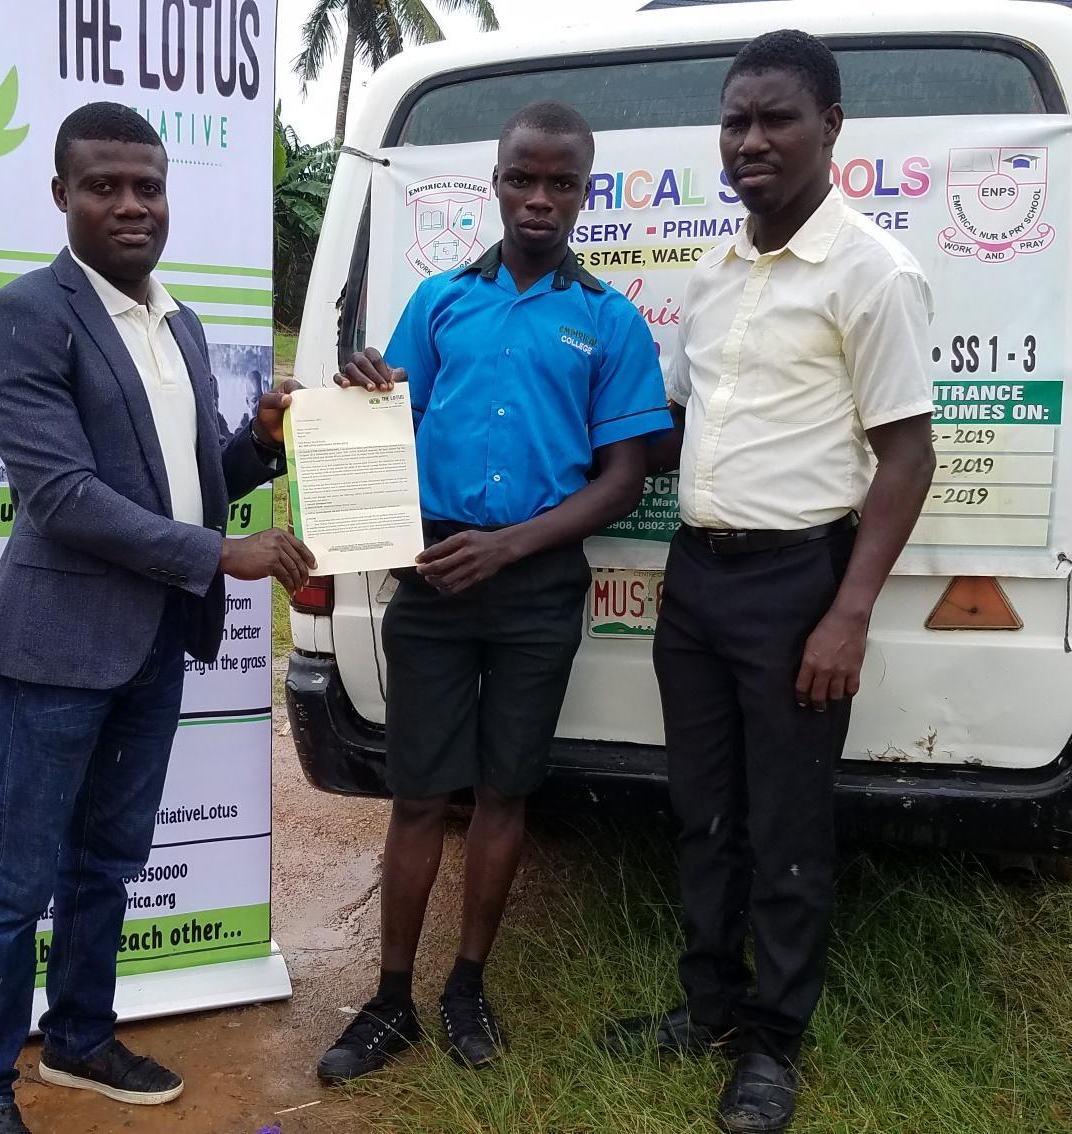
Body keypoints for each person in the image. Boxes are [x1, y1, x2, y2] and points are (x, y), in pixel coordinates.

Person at [0, 102, 316, 1134]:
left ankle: (78, 1038)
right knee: (14, 878)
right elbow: (59, 495)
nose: (130, 204)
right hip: (60, 646)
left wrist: (264, 442)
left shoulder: (178, 322)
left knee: (109, 858)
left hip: (155, 640)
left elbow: (191, 483)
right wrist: (220, 557)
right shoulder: (24, 313)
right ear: (62, 195)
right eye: (104, 186)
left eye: (146, 185)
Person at [604, 31, 937, 1134]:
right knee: (700, 812)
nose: (752, 140)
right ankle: (706, 1009)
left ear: (831, 126)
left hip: (801, 583)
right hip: (697, 580)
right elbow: (666, 421)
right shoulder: (715, 270)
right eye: (737, 120)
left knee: (786, 824)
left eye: (776, 118)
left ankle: (772, 1046)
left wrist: (848, 614)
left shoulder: (871, 273)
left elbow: (907, 455)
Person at [317, 101, 670, 1084]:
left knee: (506, 788)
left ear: (584, 192)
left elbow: (622, 479)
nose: (542, 197)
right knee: (420, 792)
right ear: (499, 182)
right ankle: (391, 999)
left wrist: (507, 550)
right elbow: (383, 428)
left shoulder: (607, 320)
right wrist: (361, 393)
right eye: (525, 177)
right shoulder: (438, 303)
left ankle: (466, 985)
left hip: (537, 584)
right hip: (433, 575)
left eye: (563, 182)